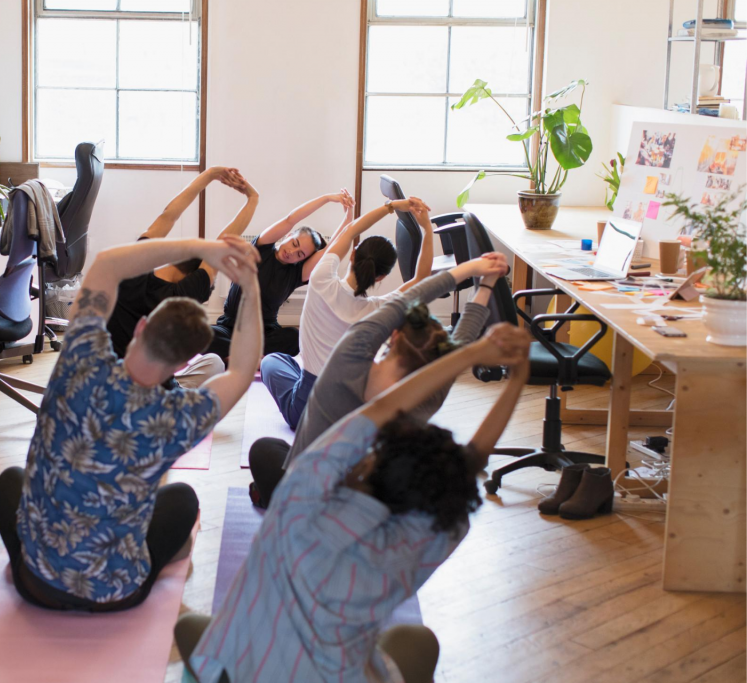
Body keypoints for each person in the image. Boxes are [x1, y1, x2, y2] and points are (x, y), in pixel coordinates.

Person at [175, 324, 533, 683]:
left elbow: (383, 408)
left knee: (192, 626)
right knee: (417, 640)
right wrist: (518, 380)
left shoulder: (299, 501)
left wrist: (472, 353)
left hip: (242, 669)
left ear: (368, 466)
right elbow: (470, 463)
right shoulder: (421, 544)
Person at [0, 235, 264, 612]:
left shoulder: (80, 358)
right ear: (183, 362)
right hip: (115, 594)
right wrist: (250, 286)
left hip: (35, 583)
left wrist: (202, 248)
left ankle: (43, 562)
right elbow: (243, 370)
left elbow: (108, 263)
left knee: (11, 480)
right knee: (183, 500)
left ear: (140, 328)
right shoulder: (178, 418)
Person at [248, 250, 509, 509]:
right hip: (363, 509)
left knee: (266, 449)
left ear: (394, 336)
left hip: (305, 499)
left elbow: (402, 303)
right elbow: (462, 342)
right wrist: (486, 285)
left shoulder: (347, 363)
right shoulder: (431, 393)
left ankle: (273, 497)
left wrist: (471, 268)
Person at [261, 196, 437, 429]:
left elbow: (352, 229)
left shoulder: (321, 279)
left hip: (306, 412)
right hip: (349, 406)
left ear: (353, 254)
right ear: (381, 277)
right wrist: (427, 229)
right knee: (288, 361)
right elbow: (421, 277)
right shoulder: (380, 309)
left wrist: (392, 206)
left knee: (271, 361)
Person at [106, 166, 259, 389]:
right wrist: (253, 199)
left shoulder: (132, 273)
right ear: (193, 278)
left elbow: (168, 216)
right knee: (214, 362)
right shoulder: (183, 295)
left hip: (107, 380)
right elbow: (223, 245)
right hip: (156, 390)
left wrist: (209, 175)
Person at [207, 189, 356, 361]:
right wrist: (327, 198)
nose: (292, 252)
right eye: (294, 243)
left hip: (264, 334)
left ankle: (236, 357)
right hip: (229, 328)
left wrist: (348, 218)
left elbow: (330, 250)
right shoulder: (262, 247)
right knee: (203, 334)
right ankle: (253, 359)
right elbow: (291, 219)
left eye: (300, 254)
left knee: (294, 336)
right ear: (289, 235)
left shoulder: (297, 274)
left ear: (303, 259)